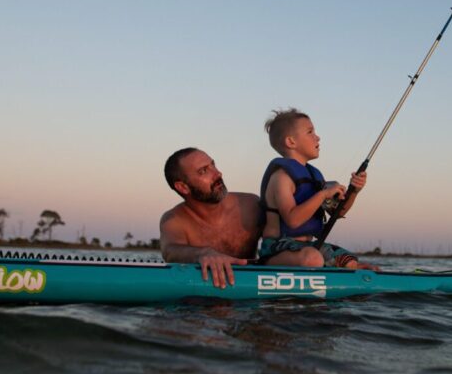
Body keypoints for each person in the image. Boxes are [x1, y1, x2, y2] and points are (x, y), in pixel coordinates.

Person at [258, 108, 377, 269]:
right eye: (310, 132)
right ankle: (267, 264)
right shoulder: (281, 177)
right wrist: (323, 194)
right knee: (313, 260)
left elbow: (338, 213)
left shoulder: (314, 176)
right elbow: (293, 220)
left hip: (308, 246)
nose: (317, 137)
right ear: (291, 142)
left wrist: (354, 191)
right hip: (276, 248)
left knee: (350, 262)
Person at [159, 147, 262, 288]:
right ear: (183, 187)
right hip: (198, 304)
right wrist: (203, 253)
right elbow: (170, 251)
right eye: (204, 171)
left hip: (252, 298)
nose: (218, 173)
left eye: (213, 165)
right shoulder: (174, 220)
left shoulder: (251, 205)